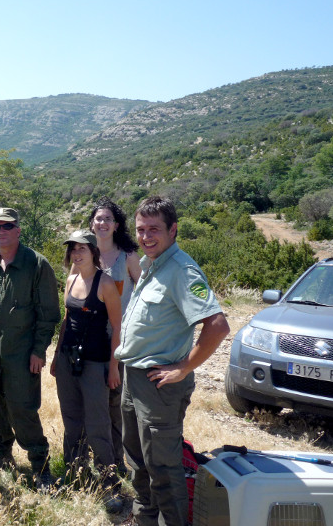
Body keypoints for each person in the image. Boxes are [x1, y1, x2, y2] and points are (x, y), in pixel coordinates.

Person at [116, 196, 230, 526]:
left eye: (154, 229)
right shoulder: (153, 265)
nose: (146, 236)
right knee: (138, 461)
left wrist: (183, 368)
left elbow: (217, 325)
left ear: (173, 230)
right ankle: (144, 520)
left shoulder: (182, 270)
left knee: (164, 471)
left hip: (158, 385)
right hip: (134, 376)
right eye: (140, 230)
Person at [0, 207, 60, 491]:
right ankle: (2, 453)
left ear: (18, 229)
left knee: (22, 407)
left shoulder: (37, 265)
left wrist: (39, 351)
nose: (1, 231)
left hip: (22, 352)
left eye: (7, 226)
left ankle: (40, 465)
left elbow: (49, 315)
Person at [50, 230, 123, 512]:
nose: (77, 253)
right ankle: (75, 475)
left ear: (94, 251)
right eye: (73, 249)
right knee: (71, 420)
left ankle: (110, 485)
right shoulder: (70, 279)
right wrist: (57, 356)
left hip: (95, 363)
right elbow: (67, 321)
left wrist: (114, 367)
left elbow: (117, 327)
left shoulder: (106, 283)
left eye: (83, 248)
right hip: (69, 361)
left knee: (98, 425)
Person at [88, 197, 141, 473]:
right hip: (91, 342)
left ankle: (118, 462)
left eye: (108, 219)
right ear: (91, 224)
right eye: (98, 218)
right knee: (93, 402)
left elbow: (144, 294)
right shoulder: (85, 254)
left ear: (116, 224)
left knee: (116, 403)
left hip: (121, 343)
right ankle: (95, 457)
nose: (103, 223)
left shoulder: (128, 256)